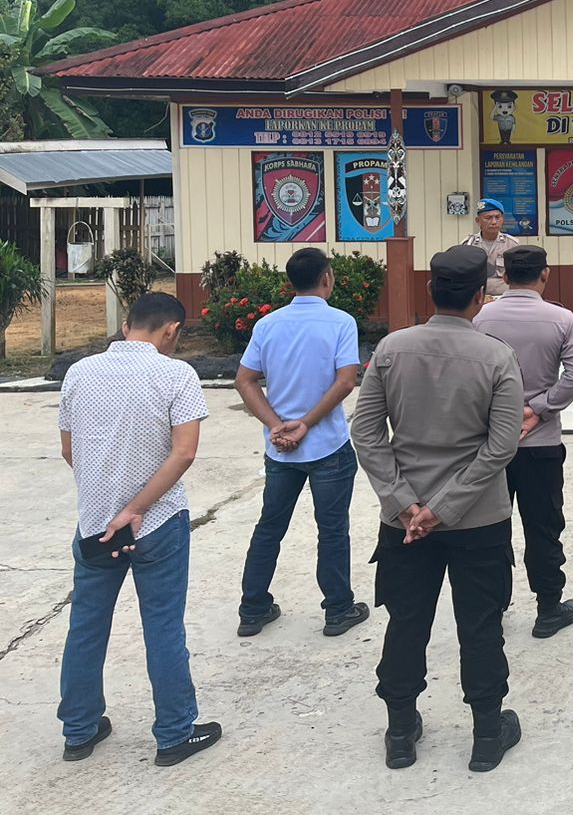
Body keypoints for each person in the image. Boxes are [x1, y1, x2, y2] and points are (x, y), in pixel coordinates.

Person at [350, 245, 525, 773]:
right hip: (477, 518)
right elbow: (501, 447)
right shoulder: (497, 357)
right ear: (480, 296)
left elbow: (366, 432)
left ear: (430, 291)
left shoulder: (391, 349)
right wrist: (446, 506)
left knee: (406, 622)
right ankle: (487, 736)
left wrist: (405, 503)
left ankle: (401, 731)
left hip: (405, 525)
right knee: (481, 624)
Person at [56, 292, 222, 767]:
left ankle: (79, 729)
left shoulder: (79, 373)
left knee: (86, 626)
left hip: (94, 525)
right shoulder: (176, 375)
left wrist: (107, 502)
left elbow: (71, 450)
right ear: (171, 331)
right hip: (157, 523)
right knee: (163, 626)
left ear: (127, 323)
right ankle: (173, 732)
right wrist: (135, 507)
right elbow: (184, 452)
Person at [234, 247, 368, 638]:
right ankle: (338, 609)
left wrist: (277, 425)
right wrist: (306, 423)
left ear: (289, 282)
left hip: (279, 448)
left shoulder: (268, 325)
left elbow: (245, 380)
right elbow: (346, 380)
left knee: (269, 526)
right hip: (326, 444)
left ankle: (253, 608)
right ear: (327, 278)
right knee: (331, 529)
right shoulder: (341, 322)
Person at [473, 244, 573, 639]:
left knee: (492, 527)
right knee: (543, 527)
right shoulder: (561, 319)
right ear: (545, 274)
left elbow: (472, 373)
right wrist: (540, 408)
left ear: (504, 276)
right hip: (541, 443)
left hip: (492, 443)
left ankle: (494, 606)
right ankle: (548, 608)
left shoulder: (483, 316)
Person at [461, 198, 521, 297]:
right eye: (488, 218)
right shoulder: (469, 244)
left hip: (504, 297)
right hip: (476, 298)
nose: (494, 222)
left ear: (503, 219)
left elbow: (518, 277)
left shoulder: (512, 245)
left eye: (497, 217)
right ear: (478, 220)